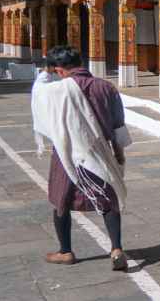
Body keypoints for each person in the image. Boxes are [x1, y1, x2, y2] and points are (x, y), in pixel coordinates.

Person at [31, 45, 130, 271]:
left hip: (68, 154)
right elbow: (118, 124)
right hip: (101, 152)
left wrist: (47, 70)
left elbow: (38, 92)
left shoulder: (57, 90)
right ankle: (116, 248)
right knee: (107, 199)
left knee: (61, 201)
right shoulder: (106, 87)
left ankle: (65, 251)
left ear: (59, 70)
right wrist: (119, 153)